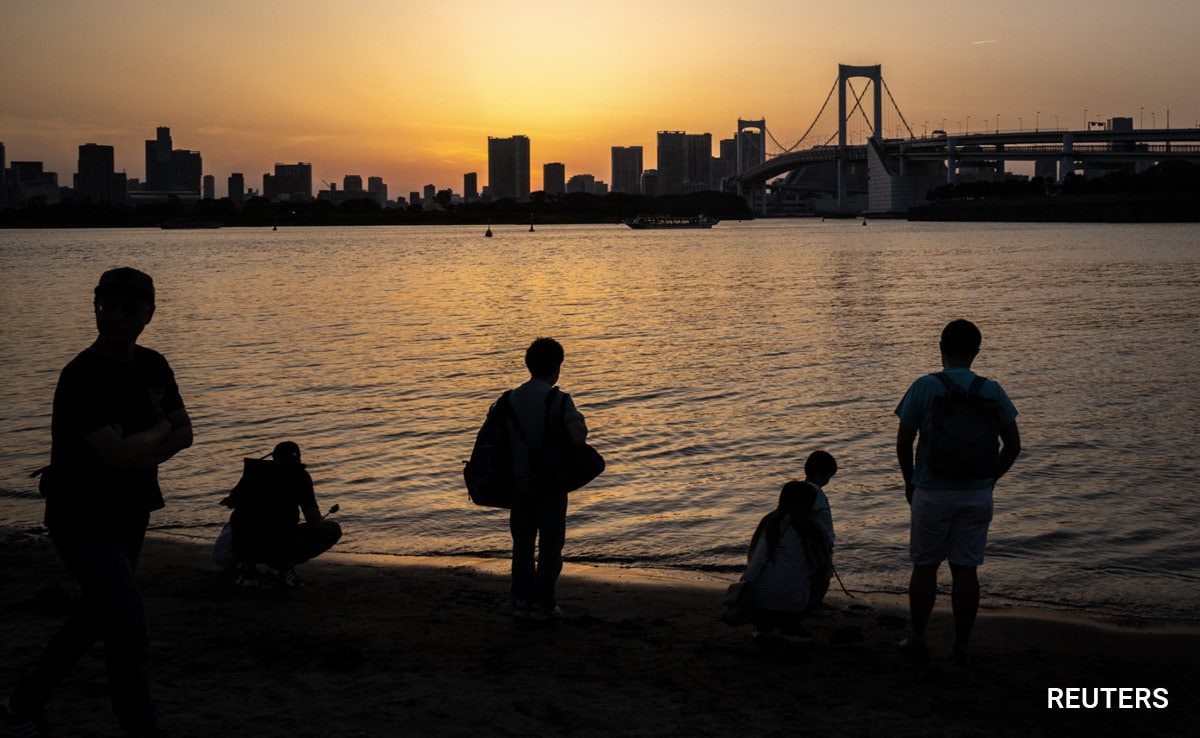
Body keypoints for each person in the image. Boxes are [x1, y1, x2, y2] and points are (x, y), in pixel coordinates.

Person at [3, 268, 193, 738]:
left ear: (150, 312)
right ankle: (139, 726)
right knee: (127, 623)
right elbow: (116, 452)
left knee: (95, 616)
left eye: (131, 307)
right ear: (96, 307)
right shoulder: (81, 375)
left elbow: (185, 434)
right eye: (108, 306)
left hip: (133, 510)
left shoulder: (154, 365)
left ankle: (20, 704)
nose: (117, 316)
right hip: (80, 516)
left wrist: (145, 443)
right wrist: (158, 434)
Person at [895, 319, 1021, 663]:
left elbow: (904, 442)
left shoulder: (923, 386)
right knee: (965, 571)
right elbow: (1013, 445)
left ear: (941, 348)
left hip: (931, 492)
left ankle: (918, 640)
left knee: (925, 567)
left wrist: (910, 481)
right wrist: (991, 479)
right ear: (977, 352)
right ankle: (962, 645)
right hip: (976, 494)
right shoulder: (992, 390)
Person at [507, 337, 588, 622]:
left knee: (523, 545)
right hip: (551, 485)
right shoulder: (560, 400)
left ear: (528, 365)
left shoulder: (510, 398)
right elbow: (579, 438)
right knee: (551, 547)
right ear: (557, 368)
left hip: (518, 485)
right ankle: (544, 603)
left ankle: (520, 601)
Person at [219, 441, 342, 589]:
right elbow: (313, 519)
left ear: (273, 457)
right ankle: (281, 567)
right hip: (279, 546)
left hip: (243, 546)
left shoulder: (254, 472)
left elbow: (232, 502)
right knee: (332, 529)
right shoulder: (300, 476)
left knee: (246, 524)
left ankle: (249, 569)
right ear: (298, 460)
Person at [742, 480, 833, 643]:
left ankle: (765, 626)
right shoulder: (813, 528)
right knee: (823, 578)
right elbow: (822, 567)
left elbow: (754, 561)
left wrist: (745, 590)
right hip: (792, 605)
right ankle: (791, 625)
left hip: (756, 603)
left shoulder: (769, 522)